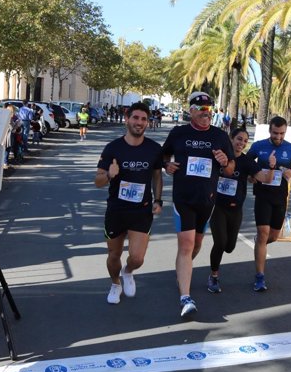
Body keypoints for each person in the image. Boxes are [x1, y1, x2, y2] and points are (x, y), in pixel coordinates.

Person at [161, 91, 235, 317]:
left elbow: (230, 169)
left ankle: (183, 269)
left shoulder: (220, 136)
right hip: (183, 198)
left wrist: (225, 163)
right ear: (191, 110)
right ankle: (185, 297)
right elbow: (163, 157)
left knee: (196, 246)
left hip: (207, 200)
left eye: (210, 109)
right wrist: (167, 165)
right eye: (202, 109)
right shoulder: (179, 133)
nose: (207, 113)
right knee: (186, 245)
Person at [95, 102, 164, 304]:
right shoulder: (112, 148)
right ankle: (115, 283)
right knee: (114, 255)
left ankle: (128, 271)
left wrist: (158, 199)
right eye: (135, 118)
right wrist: (109, 174)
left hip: (141, 210)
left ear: (148, 122)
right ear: (127, 119)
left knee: (137, 258)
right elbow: (97, 181)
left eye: (143, 119)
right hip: (116, 210)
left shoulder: (153, 149)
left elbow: (157, 176)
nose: (139, 122)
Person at [246, 116, 291, 291]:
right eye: (275, 133)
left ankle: (260, 244)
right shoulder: (259, 146)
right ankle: (259, 277)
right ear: (270, 130)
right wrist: (251, 176)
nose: (279, 137)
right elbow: (245, 164)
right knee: (263, 233)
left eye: (282, 133)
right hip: (262, 195)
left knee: (273, 236)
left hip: (280, 197)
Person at [207, 128, 275, 293]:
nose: (241, 143)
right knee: (220, 242)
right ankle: (213, 276)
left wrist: (272, 166)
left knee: (229, 247)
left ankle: (216, 268)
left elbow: (266, 179)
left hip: (235, 210)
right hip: (217, 207)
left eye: (245, 141)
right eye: (239, 139)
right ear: (230, 138)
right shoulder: (219, 157)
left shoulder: (246, 162)